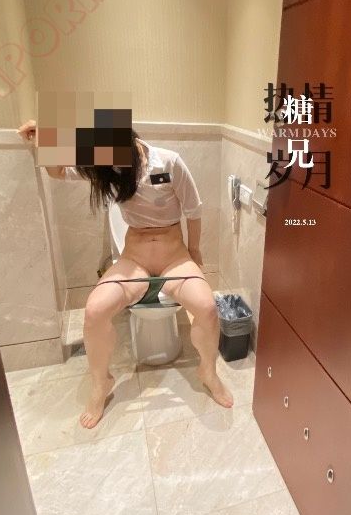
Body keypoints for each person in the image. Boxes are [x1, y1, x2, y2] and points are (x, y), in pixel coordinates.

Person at [17, 120, 233, 427]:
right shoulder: (102, 165)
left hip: (174, 258)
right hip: (134, 260)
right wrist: (44, 138)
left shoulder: (168, 161)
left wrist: (195, 253)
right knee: (94, 310)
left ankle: (208, 371)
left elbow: (193, 210)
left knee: (207, 307)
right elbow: (58, 172)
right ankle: (100, 383)